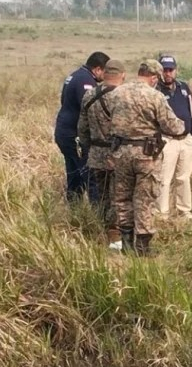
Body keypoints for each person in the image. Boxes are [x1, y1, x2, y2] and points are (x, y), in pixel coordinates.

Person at [109, 60, 185, 256]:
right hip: (146, 155)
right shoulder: (155, 96)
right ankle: (143, 248)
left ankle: (126, 245)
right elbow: (173, 127)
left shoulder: (117, 93)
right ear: (153, 77)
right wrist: (183, 126)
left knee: (122, 198)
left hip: (121, 153)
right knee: (144, 200)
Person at [78, 59, 127, 251]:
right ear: (122, 75)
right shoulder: (122, 96)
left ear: (104, 73)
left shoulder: (89, 94)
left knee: (102, 195)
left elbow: (82, 128)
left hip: (96, 154)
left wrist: (88, 147)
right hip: (117, 155)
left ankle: (102, 231)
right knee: (118, 196)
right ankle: (115, 239)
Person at [54, 51, 110, 204]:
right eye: (105, 72)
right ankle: (96, 212)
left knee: (74, 174)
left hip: (64, 131)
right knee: (88, 174)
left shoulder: (75, 75)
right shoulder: (85, 82)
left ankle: (74, 207)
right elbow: (89, 108)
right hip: (74, 134)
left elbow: (63, 100)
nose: (105, 77)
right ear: (98, 69)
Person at [155, 54, 192, 220]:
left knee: (184, 178)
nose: (168, 73)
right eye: (164, 70)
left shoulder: (184, 87)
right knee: (164, 179)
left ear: (175, 70)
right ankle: (162, 213)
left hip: (186, 139)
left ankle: (184, 211)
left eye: (170, 70)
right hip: (167, 140)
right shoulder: (156, 91)